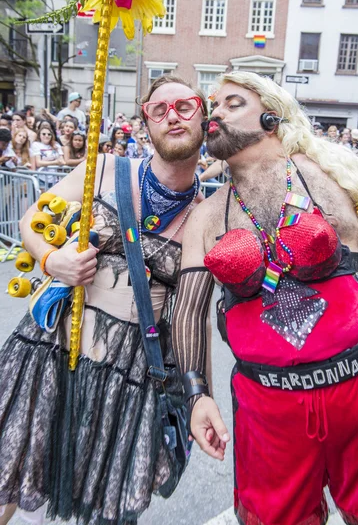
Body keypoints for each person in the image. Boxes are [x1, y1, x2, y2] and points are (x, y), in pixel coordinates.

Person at [172, 71, 358, 525]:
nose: (214, 113)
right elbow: (189, 311)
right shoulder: (206, 217)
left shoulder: (335, 172)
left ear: (272, 115)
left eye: (232, 103)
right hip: (268, 407)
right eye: (213, 106)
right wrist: (196, 394)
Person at [0, 74, 207, 525]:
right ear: (145, 124)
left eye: (185, 107)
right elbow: (32, 218)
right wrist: (53, 260)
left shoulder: (209, 216)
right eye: (159, 109)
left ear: (204, 119)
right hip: (51, 348)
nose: (172, 115)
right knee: (10, 470)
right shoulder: (108, 170)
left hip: (131, 374)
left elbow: (196, 315)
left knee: (107, 505)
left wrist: (198, 396)